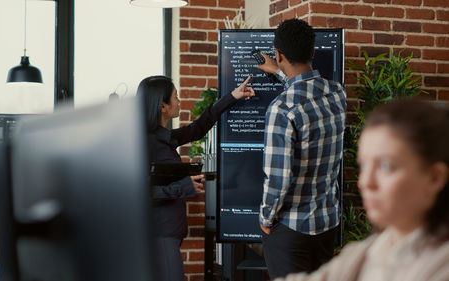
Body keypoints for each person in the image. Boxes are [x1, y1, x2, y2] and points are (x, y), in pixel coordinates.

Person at [274, 99, 449, 281]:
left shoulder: (441, 266)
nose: (365, 182)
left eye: (386, 166)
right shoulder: (368, 252)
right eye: (363, 165)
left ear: (435, 177)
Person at [137, 75, 255, 281]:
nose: (179, 101)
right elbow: (137, 193)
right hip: (160, 235)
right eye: (176, 97)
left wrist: (233, 96)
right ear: (162, 106)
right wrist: (183, 187)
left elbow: (198, 128)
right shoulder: (144, 144)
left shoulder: (163, 137)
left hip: (169, 234)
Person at [256, 18, 347, 279]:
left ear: (278, 53)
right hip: (327, 223)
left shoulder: (281, 109)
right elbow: (306, 93)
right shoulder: (337, 93)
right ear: (313, 52)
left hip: (290, 229)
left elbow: (278, 178)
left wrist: (265, 217)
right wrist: (280, 72)